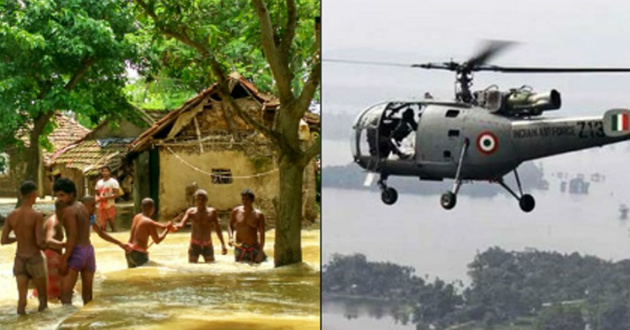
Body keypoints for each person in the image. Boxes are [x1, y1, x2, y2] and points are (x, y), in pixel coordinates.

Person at [1, 181, 47, 315]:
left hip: (19, 260)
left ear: (20, 195)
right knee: (43, 298)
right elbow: (40, 242)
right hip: (34, 259)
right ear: (34, 195)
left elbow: (3, 241)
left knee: (21, 301)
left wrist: (18, 238)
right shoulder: (37, 215)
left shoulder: (11, 216)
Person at [174, 189, 227, 263]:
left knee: (210, 269)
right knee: (192, 268)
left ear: (206, 200)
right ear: (195, 200)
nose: (200, 201)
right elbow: (181, 224)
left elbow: (218, 229)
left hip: (207, 244)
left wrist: (223, 244)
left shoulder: (212, 212)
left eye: (202, 199)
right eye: (198, 199)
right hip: (194, 244)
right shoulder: (191, 212)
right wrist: (173, 227)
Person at [32, 200, 66, 301]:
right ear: (62, 209)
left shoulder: (56, 219)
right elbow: (49, 240)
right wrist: (66, 245)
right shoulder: (54, 222)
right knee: (53, 293)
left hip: (49, 257)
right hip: (51, 257)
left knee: (50, 292)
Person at [125, 198, 172, 268]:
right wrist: (167, 230)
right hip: (139, 254)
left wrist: (164, 226)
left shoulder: (137, 217)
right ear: (152, 209)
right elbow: (157, 240)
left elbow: (151, 223)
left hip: (128, 251)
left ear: (141, 207)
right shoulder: (149, 223)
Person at [228, 188, 267, 263]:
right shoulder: (236, 211)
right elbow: (230, 225)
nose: (244, 201)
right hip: (240, 248)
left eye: (247, 199)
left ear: (252, 200)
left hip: (254, 247)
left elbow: (262, 234)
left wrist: (261, 251)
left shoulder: (258, 215)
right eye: (243, 199)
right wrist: (230, 238)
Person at [95, 165, 120, 232]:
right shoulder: (99, 183)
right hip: (101, 206)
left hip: (110, 205)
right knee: (102, 226)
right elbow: (97, 194)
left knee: (112, 224)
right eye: (103, 171)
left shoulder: (113, 182)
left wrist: (107, 197)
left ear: (109, 172)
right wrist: (98, 199)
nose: (105, 173)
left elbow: (117, 194)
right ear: (101, 173)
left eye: (106, 171)